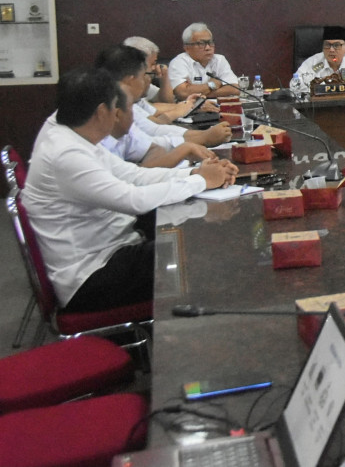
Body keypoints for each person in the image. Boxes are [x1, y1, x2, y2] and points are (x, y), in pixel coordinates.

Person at [22, 69, 237, 311]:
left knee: (192, 235)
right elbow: (133, 200)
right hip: (90, 277)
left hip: (112, 248)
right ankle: (194, 339)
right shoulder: (65, 154)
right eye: (118, 108)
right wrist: (201, 182)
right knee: (199, 252)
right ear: (103, 111)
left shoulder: (76, 137)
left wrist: (194, 173)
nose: (120, 115)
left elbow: (133, 175)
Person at [96, 44, 230, 156]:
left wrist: (202, 135)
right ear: (130, 79)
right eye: (145, 73)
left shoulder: (128, 101)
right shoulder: (114, 106)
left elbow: (155, 125)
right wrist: (203, 138)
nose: (152, 74)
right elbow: (153, 133)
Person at [167, 22, 240, 99]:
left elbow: (234, 89)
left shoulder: (219, 60)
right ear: (187, 47)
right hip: (190, 108)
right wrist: (213, 84)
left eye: (210, 42)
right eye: (201, 43)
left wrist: (196, 93)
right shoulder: (178, 63)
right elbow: (182, 93)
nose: (208, 48)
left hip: (218, 107)